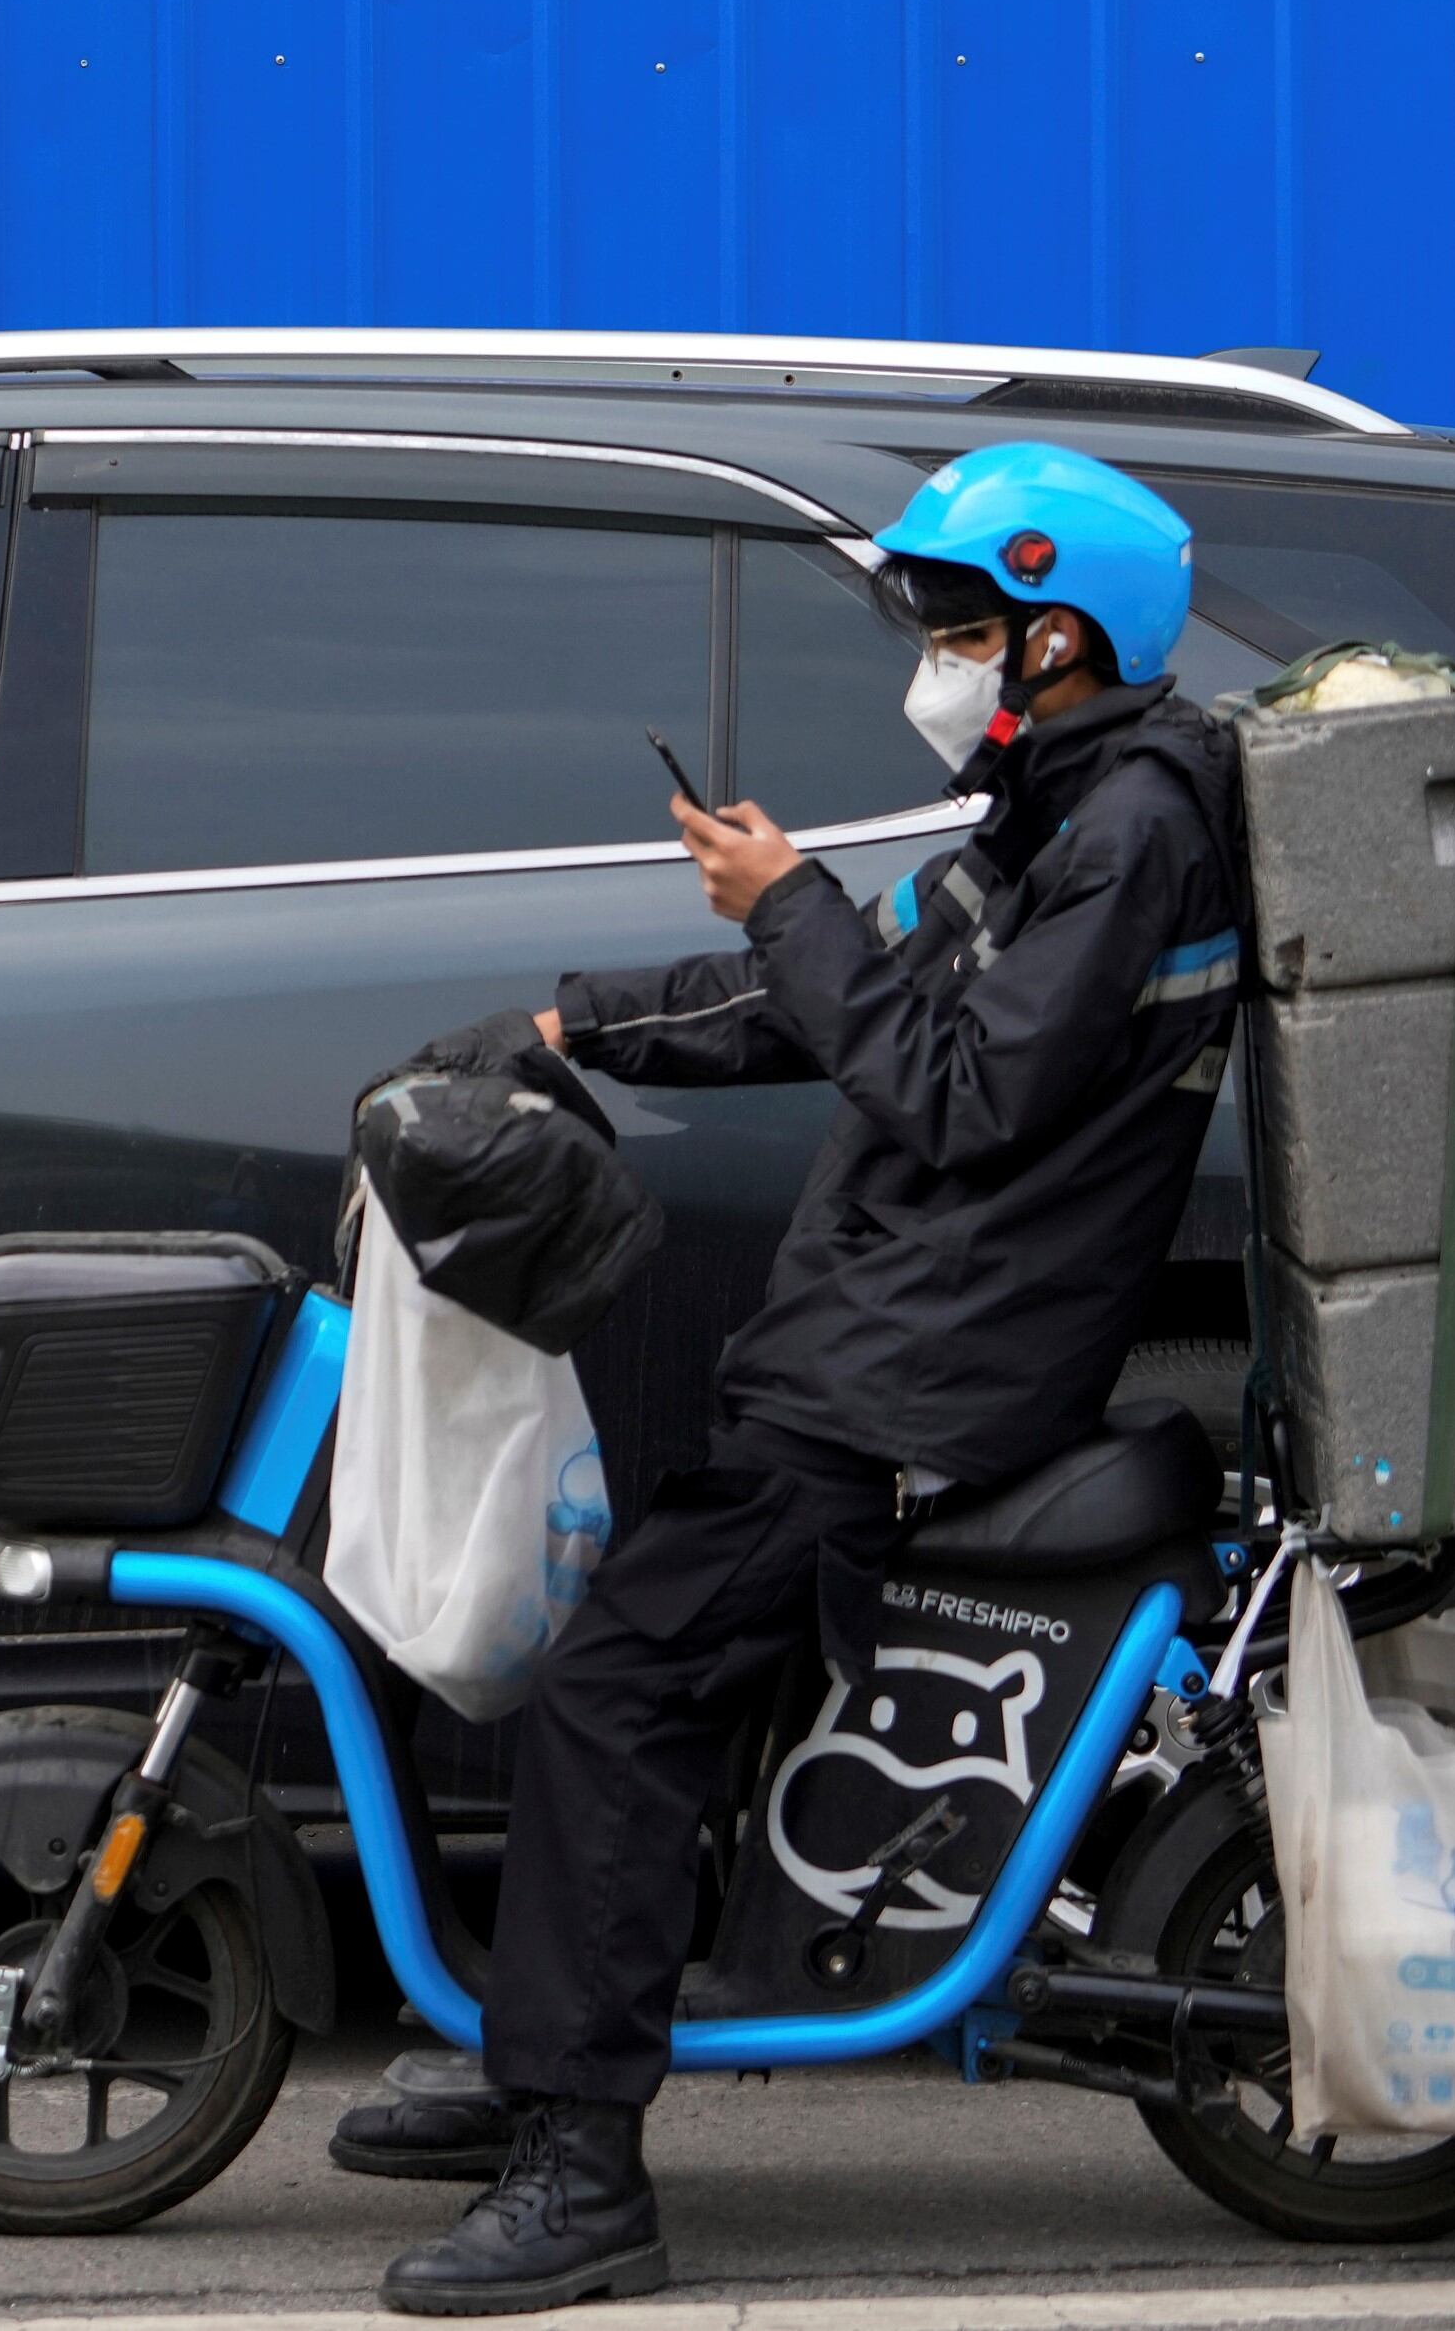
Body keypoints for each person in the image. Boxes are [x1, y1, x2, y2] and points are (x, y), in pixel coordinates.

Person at [350, 444, 1247, 2319]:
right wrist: (566, 1014)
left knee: (612, 1686)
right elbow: (859, 1002)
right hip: (880, 1344)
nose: (930, 656)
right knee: (657, 1670)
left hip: (925, 1378)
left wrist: (790, 895)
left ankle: (582, 2164)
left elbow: (957, 1084)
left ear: (1058, 633)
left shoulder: (1136, 823)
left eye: (958, 623)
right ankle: (555, 2045)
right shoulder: (1050, 808)